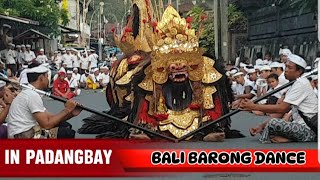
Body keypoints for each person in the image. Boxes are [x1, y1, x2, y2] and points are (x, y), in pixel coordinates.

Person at [240, 54, 317, 143]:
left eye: (289, 68)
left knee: (273, 123)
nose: (286, 70)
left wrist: (253, 107)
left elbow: (282, 108)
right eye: (286, 67)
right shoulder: (295, 84)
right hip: (299, 125)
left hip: (309, 129)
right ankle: (285, 137)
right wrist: (261, 126)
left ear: (299, 71)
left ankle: (290, 139)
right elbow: (282, 111)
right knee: (270, 123)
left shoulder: (301, 83)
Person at [6, 64, 82, 138]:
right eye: (47, 76)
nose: (48, 79)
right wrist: (67, 110)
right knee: (66, 133)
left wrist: (71, 113)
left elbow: (51, 118)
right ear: (41, 78)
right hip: (21, 135)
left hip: (27, 131)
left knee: (65, 125)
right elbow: (46, 124)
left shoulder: (31, 93)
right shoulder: (31, 95)